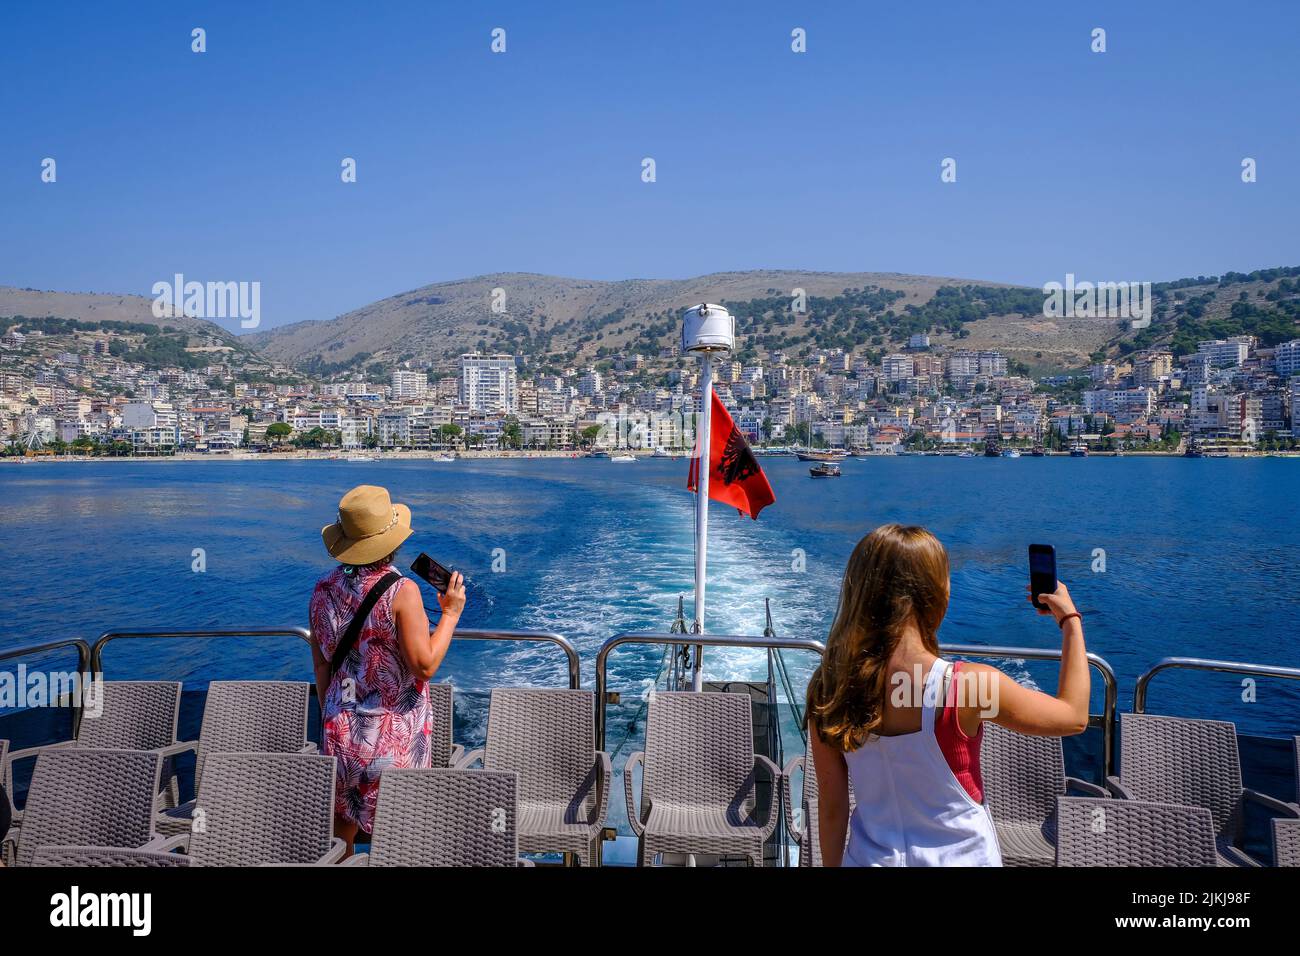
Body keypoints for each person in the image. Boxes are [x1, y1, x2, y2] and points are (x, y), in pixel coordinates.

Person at [806, 524, 1089, 866]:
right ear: (934, 593)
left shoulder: (829, 686)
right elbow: (1073, 717)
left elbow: (833, 809)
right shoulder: (967, 686)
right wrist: (1070, 620)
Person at [309, 484, 465, 855]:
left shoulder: (322, 589)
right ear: (392, 540)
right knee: (400, 838)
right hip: (392, 735)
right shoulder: (401, 590)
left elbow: (322, 664)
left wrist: (334, 717)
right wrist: (450, 613)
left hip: (340, 730)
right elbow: (424, 665)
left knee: (340, 833)